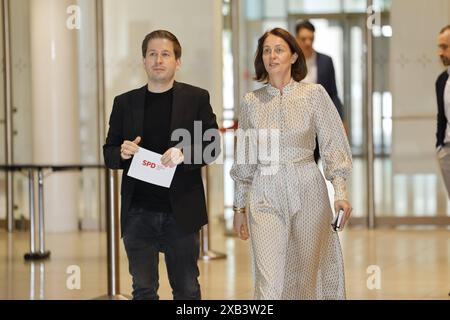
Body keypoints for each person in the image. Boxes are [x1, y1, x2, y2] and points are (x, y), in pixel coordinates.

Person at [230, 28, 352, 300]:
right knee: (269, 282)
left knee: (305, 277)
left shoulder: (314, 95)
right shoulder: (252, 102)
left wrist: (340, 193)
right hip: (265, 192)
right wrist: (239, 206)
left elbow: (333, 145)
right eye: (266, 50)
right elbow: (245, 159)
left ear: (294, 56)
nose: (271, 55)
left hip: (308, 187)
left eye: (279, 49)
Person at [103, 30, 220, 300]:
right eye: (152, 54)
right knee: (143, 290)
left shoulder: (196, 98)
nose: (158, 60)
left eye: (166, 54)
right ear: (143, 61)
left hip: (181, 212)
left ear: (177, 61)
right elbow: (109, 153)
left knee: (187, 289)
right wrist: (121, 152)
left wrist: (184, 153)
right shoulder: (125, 103)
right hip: (138, 213)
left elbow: (213, 147)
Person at [295, 20, 344, 162]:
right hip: (296, 121)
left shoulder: (325, 61)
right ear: (296, 39)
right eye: (304, 39)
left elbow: (333, 93)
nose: (308, 42)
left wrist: (341, 120)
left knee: (314, 160)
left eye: (311, 38)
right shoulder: (291, 62)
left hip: (319, 121)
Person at [436, 25, 450, 199]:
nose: (440, 52)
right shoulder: (442, 80)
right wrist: (439, 146)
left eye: (445, 47)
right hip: (447, 151)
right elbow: (442, 116)